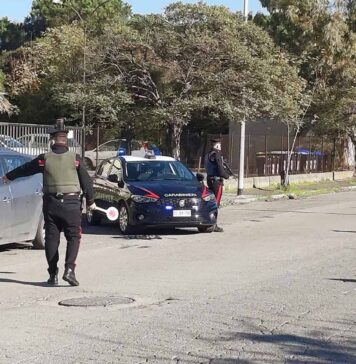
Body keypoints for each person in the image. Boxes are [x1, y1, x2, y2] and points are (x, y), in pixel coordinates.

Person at [1, 119, 96, 286]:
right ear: (65, 139)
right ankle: (70, 270)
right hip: (72, 203)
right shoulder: (76, 159)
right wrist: (91, 201)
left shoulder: (43, 159)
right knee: (74, 236)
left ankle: (53, 274)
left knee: (52, 238)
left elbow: (25, 169)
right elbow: (86, 181)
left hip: (51, 203)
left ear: (51, 140)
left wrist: (9, 177)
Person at [204, 138, 230, 232]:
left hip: (209, 179)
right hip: (216, 181)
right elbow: (220, 168)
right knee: (216, 203)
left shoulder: (207, 154)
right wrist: (226, 176)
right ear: (217, 145)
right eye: (220, 145)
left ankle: (210, 222)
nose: (220, 147)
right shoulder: (216, 154)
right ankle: (213, 224)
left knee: (212, 201)